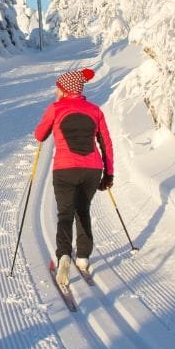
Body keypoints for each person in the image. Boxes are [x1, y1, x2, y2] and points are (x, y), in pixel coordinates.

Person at [34, 68, 114, 286]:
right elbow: (105, 143)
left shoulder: (56, 108)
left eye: (58, 88)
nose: (56, 91)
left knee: (65, 213)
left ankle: (63, 256)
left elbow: (40, 135)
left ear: (64, 90)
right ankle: (83, 258)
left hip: (65, 169)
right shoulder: (95, 111)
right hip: (92, 169)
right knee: (83, 210)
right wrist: (108, 173)